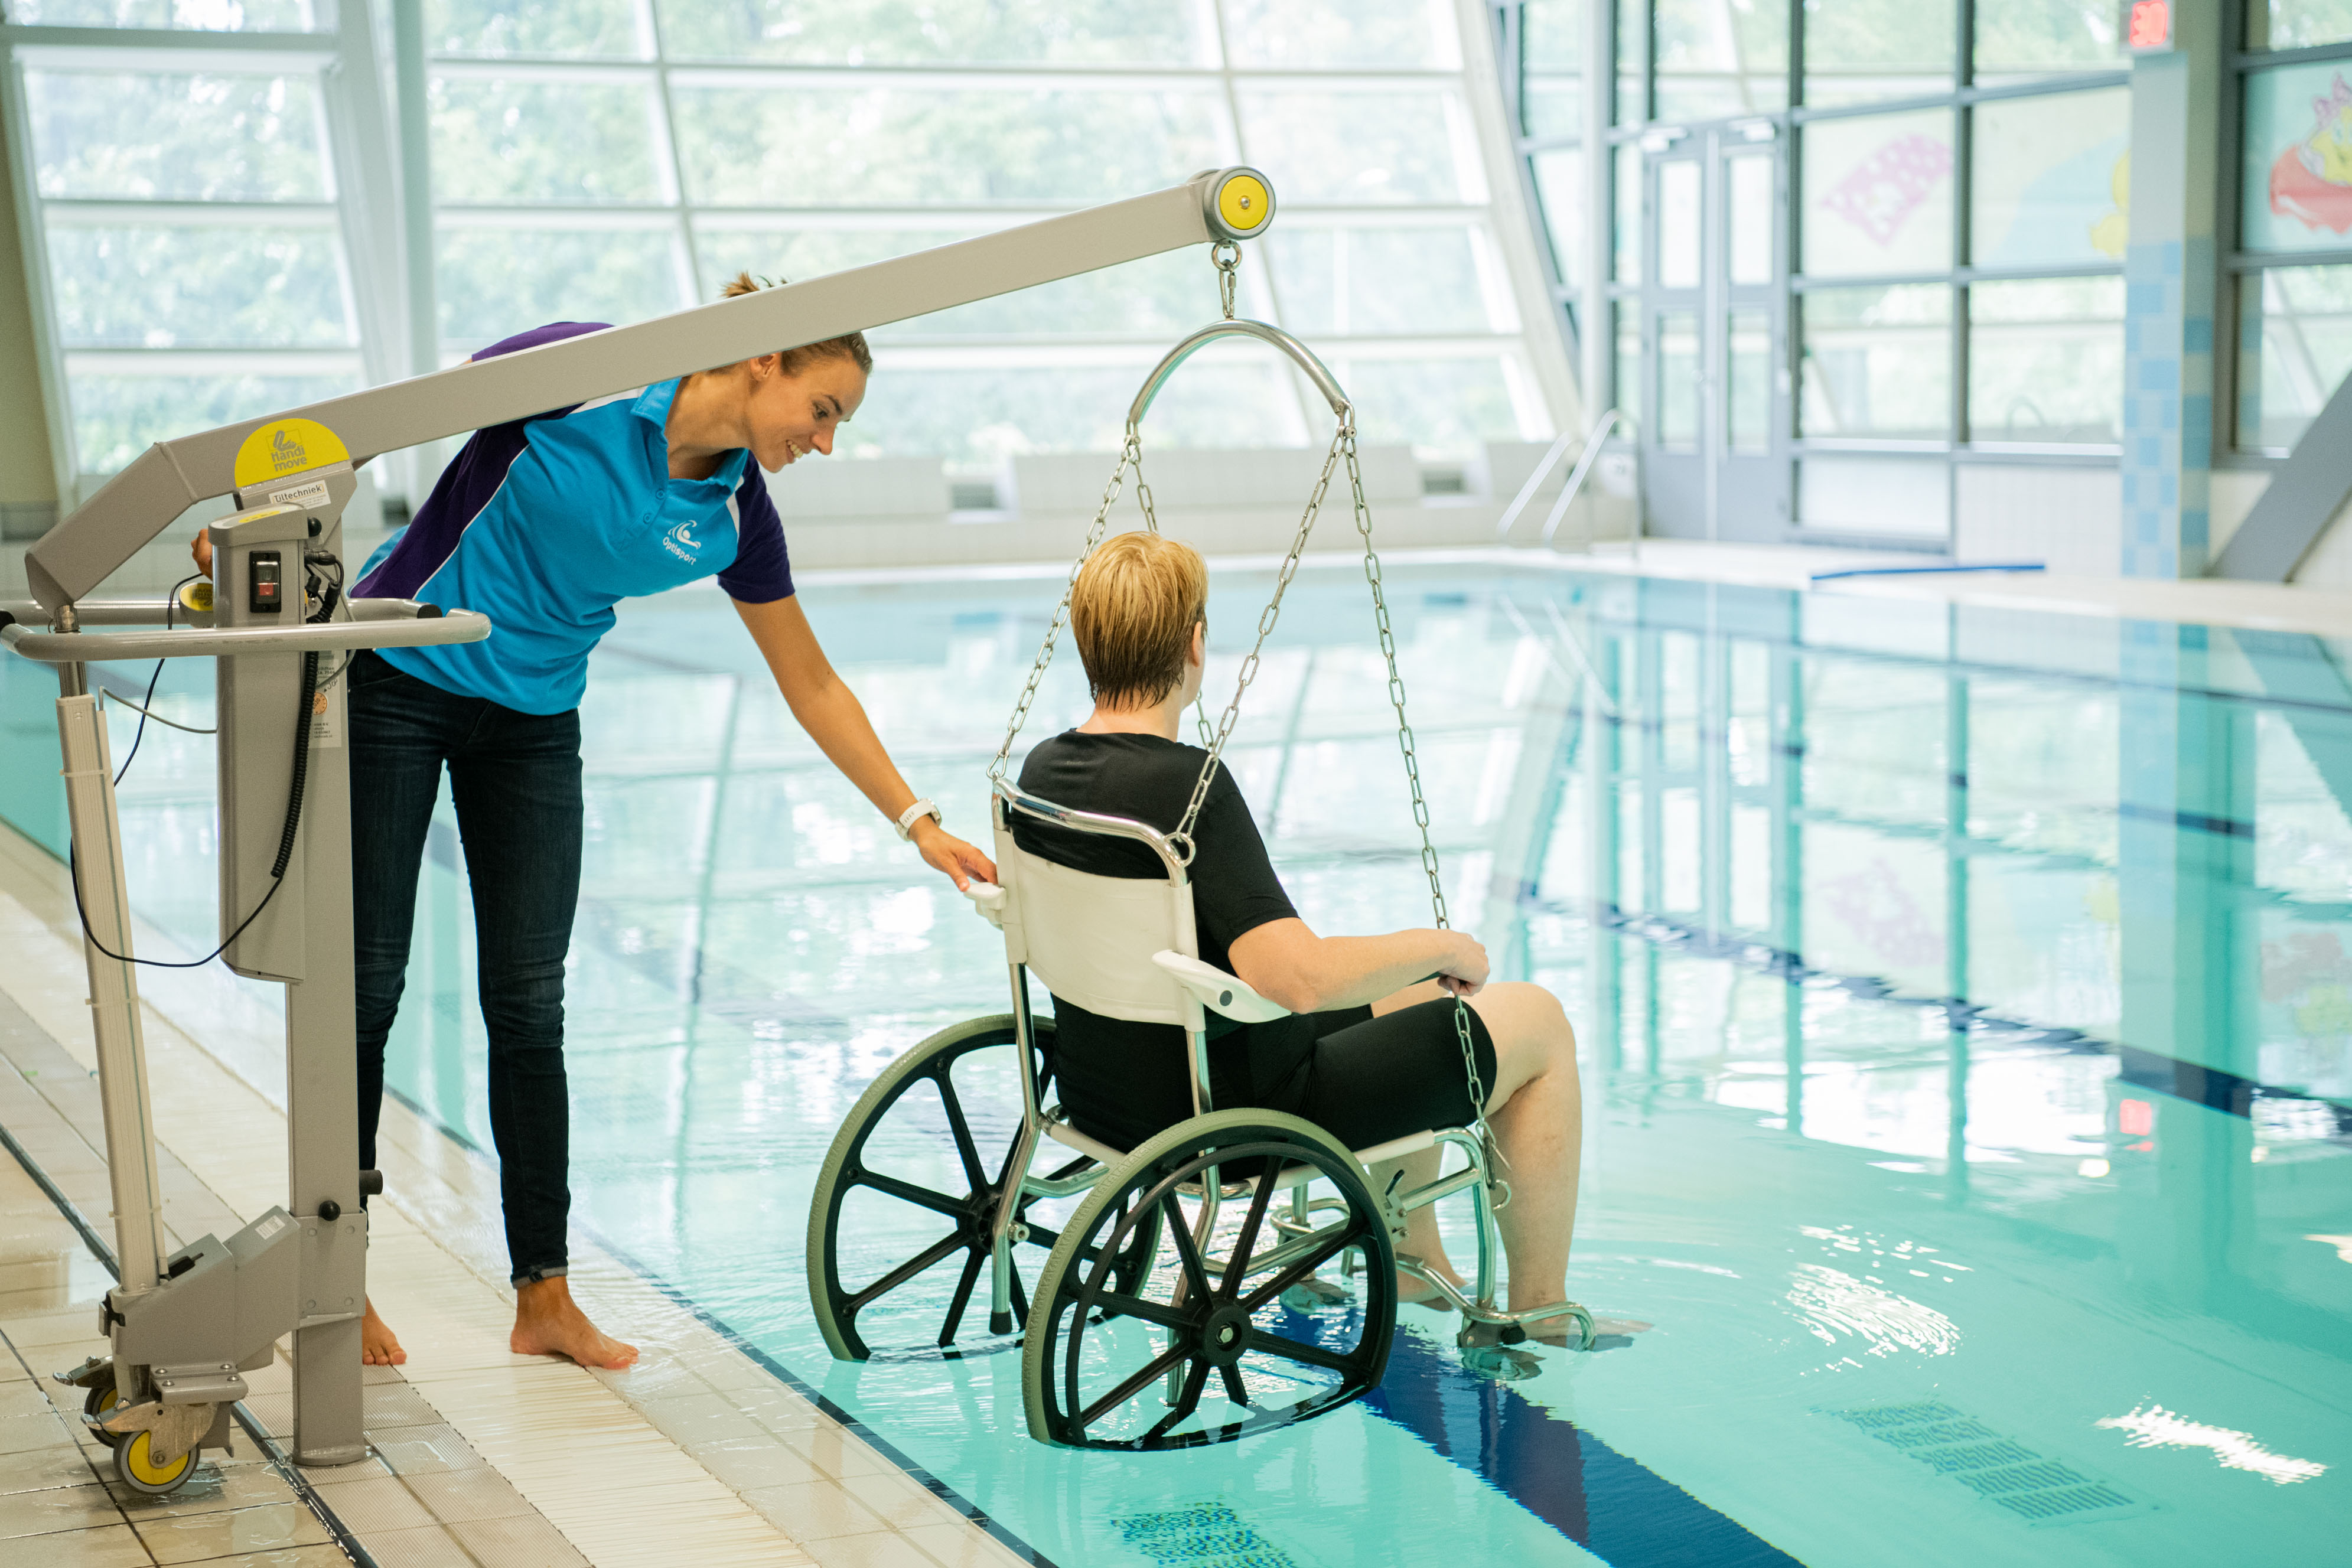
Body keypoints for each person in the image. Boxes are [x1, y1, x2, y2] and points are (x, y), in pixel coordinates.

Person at [192, 276, 995, 1371]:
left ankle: (545, 1297)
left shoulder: (733, 514)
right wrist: (261, 531)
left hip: (532, 725)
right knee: (366, 984)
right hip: (395, 679)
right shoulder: (590, 373)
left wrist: (918, 821)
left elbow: (809, 682)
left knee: (530, 1005)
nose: (826, 440)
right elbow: (387, 422)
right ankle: (334, 1279)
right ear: (767, 359)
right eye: (824, 410)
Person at [1011, 531, 1602, 1335]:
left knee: (1413, 993)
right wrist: (1445, 945)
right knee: (1535, 1020)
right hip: (1238, 1110)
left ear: (1087, 641)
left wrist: (1415, 970)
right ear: (1195, 644)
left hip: (1106, 1087)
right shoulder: (1191, 792)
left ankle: (1413, 1253)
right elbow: (1298, 981)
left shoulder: (1042, 773)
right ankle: (1541, 1310)